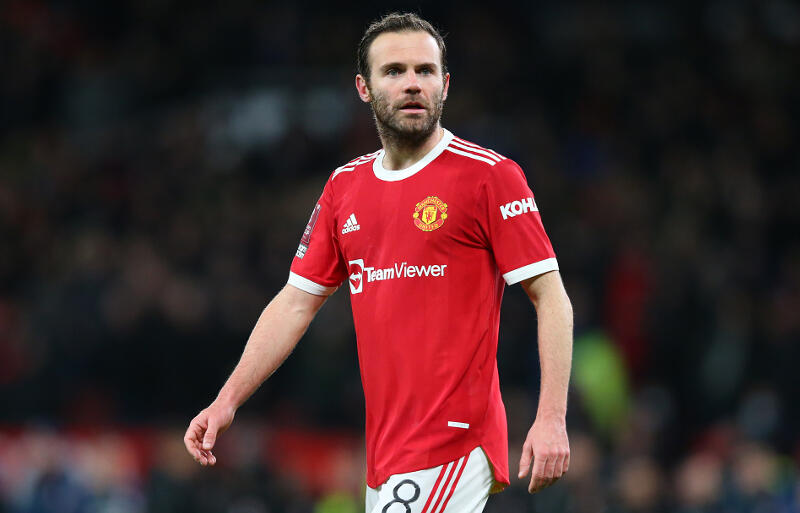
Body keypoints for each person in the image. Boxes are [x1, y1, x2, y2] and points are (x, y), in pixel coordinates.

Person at [184, 12, 573, 513]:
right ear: (364, 88)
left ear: (445, 84)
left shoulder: (489, 177)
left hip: (452, 440)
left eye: (425, 71)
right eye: (394, 71)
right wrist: (226, 401)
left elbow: (551, 296)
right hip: (386, 451)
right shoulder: (344, 187)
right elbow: (295, 303)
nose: (412, 83)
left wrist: (551, 417)